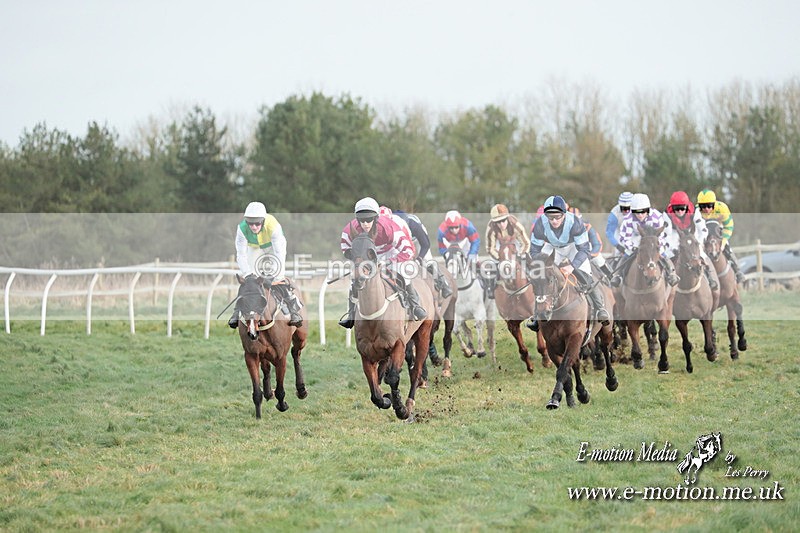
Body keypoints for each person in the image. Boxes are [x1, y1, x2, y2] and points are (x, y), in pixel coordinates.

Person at [338, 197, 427, 328]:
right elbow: (345, 248)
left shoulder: (389, 227)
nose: (365, 224)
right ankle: (351, 314)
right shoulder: (349, 230)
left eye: (369, 219)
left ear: (376, 218)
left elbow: (408, 250)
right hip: (367, 255)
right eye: (361, 220)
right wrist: (359, 261)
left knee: (403, 272)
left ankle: (415, 306)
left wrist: (390, 262)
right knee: (355, 277)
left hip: (392, 252)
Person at [526, 195, 610, 332]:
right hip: (553, 247)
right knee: (541, 277)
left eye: (557, 217)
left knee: (586, 275)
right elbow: (534, 250)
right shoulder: (540, 224)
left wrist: (572, 266)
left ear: (564, 214)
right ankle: (537, 315)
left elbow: (584, 249)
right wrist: (542, 263)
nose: (553, 221)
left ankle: (600, 308)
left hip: (574, 247)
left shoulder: (575, 222)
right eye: (550, 217)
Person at [229, 201, 303, 328]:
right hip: (255, 247)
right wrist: (248, 275)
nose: (253, 227)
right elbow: (241, 255)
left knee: (278, 277)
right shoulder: (241, 229)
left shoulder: (273, 226)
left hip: (274, 248)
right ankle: (236, 312)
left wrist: (272, 275)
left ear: (263, 220)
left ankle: (293, 310)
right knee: (249, 282)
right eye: (250, 223)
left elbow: (279, 254)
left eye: (257, 223)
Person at [611, 193, 679, 287]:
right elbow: (624, 238)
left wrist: (658, 246)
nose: (640, 215)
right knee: (627, 253)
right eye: (637, 212)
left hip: (653, 239)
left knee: (662, 252)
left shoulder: (657, 217)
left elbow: (662, 235)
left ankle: (671, 273)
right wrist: (632, 247)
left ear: (648, 210)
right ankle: (617, 275)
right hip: (635, 239)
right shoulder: (628, 219)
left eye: (643, 212)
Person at [390, 207, 453, 298]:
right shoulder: (391, 227)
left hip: (416, 239)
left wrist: (419, 259)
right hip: (400, 241)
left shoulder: (414, 225)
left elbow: (425, 245)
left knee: (427, 261)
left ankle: (444, 284)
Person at [664, 191, 719, 290]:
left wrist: (698, 244)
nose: (680, 211)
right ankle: (669, 278)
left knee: (701, 254)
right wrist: (674, 249)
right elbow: (666, 236)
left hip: (692, 234)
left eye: (682, 208)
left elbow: (703, 230)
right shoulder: (666, 215)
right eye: (677, 208)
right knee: (668, 255)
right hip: (675, 235)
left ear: (687, 207)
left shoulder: (695, 212)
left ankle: (710, 278)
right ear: (672, 208)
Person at [696, 189, 746, 283]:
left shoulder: (722, 208)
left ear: (714, 204)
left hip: (718, 229)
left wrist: (723, 242)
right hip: (703, 230)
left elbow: (729, 226)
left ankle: (737, 269)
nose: (706, 209)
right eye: (703, 206)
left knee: (726, 244)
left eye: (709, 206)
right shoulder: (696, 211)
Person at [484, 203, 530, 297]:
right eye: (498, 222)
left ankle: (534, 280)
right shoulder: (491, 229)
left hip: (515, 245)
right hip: (499, 246)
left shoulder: (515, 224)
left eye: (503, 221)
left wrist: (519, 255)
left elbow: (526, 243)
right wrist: (500, 258)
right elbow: (490, 248)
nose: (501, 224)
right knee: (490, 267)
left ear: (507, 218)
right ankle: (491, 287)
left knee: (530, 262)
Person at [567, 205, 615, 282]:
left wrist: (589, 255)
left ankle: (611, 277)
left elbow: (597, 245)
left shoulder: (588, 227)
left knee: (599, 259)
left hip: (587, 252)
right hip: (571, 253)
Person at [606, 191, 634, 257]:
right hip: (619, 233)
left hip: (634, 232)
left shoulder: (637, 210)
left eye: (628, 208)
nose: (625, 211)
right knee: (618, 253)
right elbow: (609, 233)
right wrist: (618, 246)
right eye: (623, 208)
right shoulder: (614, 213)